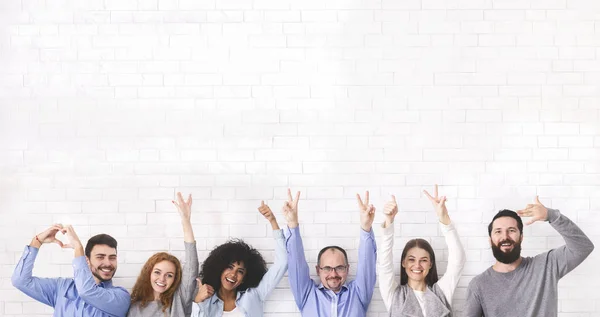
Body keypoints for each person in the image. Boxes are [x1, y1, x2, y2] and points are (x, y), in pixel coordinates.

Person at [464, 196, 595, 316]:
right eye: (498, 232)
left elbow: (583, 247)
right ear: (490, 239)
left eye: (511, 230)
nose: (505, 237)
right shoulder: (478, 285)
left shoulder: (545, 266)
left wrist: (552, 216)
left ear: (521, 237)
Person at [284, 188, 377, 317]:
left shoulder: (359, 294)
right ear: (318, 270)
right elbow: (296, 263)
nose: (333, 274)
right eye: (327, 268)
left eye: (339, 268)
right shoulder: (306, 294)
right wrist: (292, 224)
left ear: (347, 269)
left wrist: (366, 227)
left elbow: (367, 264)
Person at [378, 185, 466, 317]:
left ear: (430, 264)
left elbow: (458, 260)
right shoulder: (394, 295)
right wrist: (389, 221)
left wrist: (444, 218)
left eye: (423, 260)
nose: (417, 265)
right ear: (403, 263)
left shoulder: (441, 293)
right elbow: (384, 265)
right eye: (411, 260)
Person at [191, 199, 287, 316]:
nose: (233, 274)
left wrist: (273, 221)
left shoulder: (254, 296)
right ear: (220, 268)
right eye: (230, 267)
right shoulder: (207, 302)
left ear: (245, 278)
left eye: (240, 271)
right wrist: (197, 301)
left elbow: (283, 263)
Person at [12, 224, 130, 316]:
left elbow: (87, 292)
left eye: (112, 257)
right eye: (100, 257)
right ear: (86, 261)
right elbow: (20, 281)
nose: (108, 263)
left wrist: (78, 248)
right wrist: (36, 241)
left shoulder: (120, 297)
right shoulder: (61, 287)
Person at [128, 192, 198, 317]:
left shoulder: (179, 300)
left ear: (175, 280)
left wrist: (186, 221)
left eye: (169, 275)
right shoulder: (135, 308)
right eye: (157, 272)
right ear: (148, 272)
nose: (162, 279)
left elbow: (192, 266)